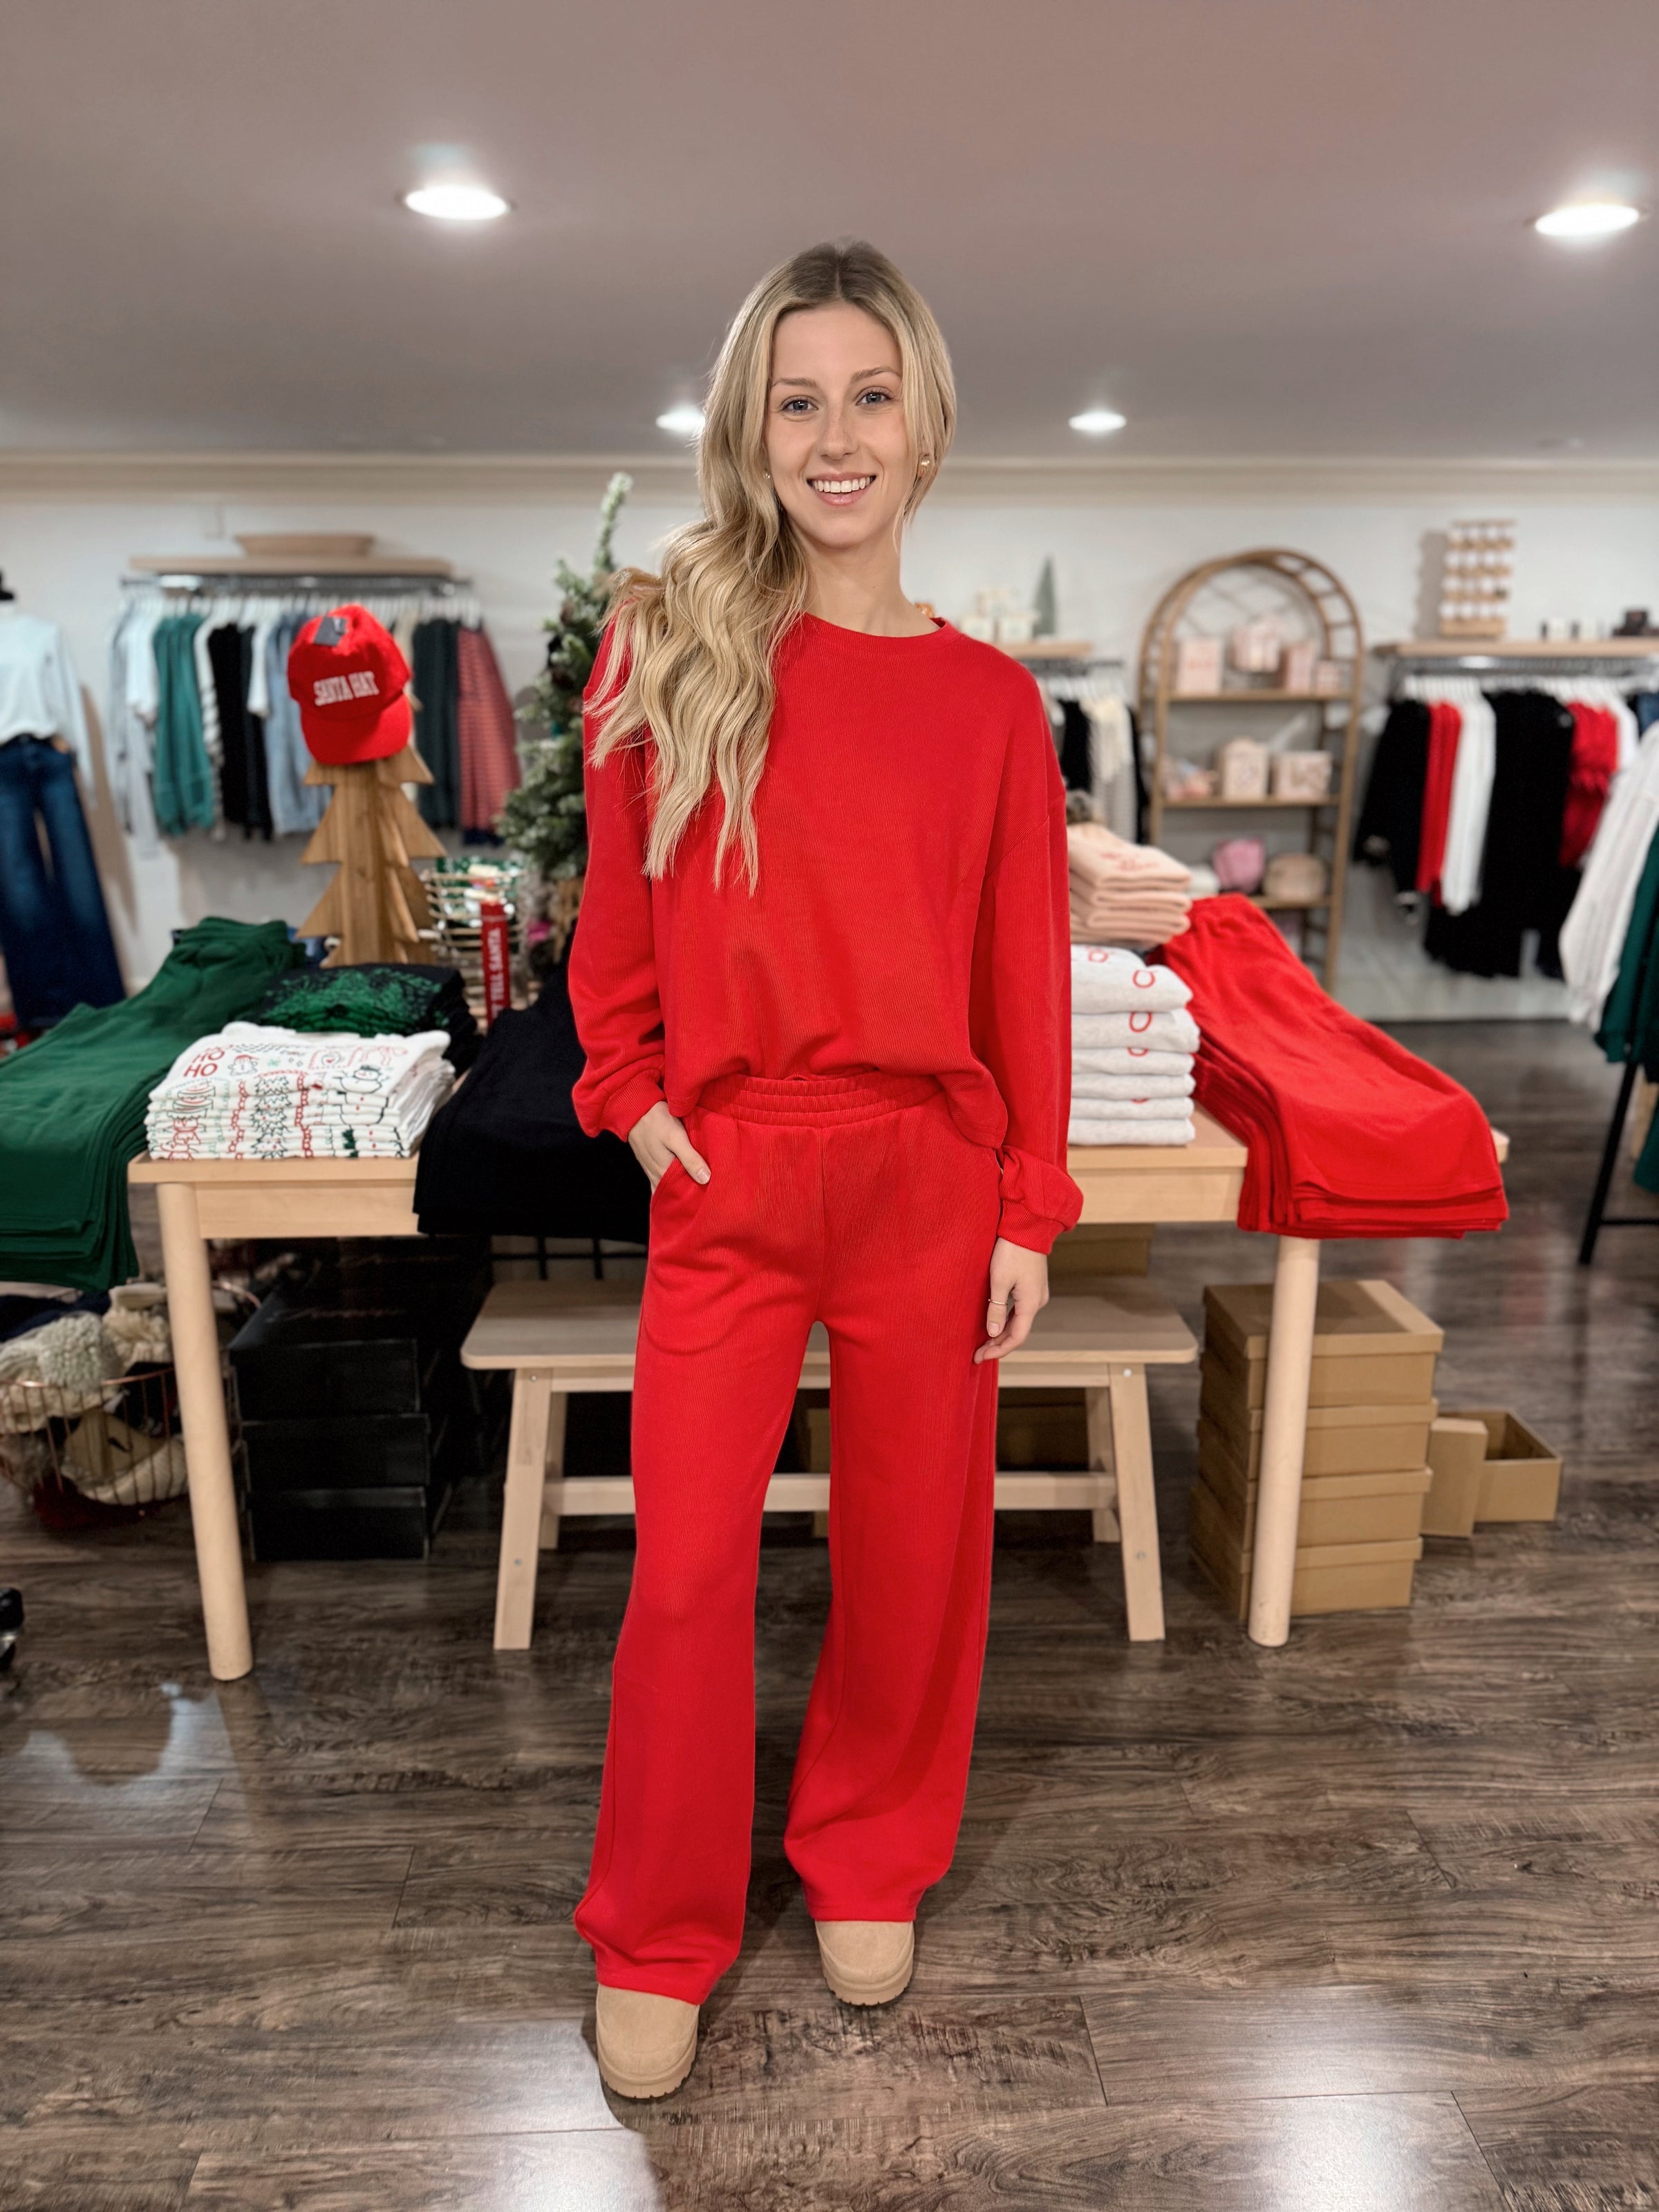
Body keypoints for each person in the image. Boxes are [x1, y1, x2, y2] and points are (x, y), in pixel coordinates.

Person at [567, 238, 1082, 2100]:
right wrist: (632, 1096)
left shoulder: (992, 704)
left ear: (927, 425)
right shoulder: (670, 642)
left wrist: (1030, 1202)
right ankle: (659, 1926)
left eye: (871, 395)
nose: (836, 435)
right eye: (800, 400)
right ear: (753, 425)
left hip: (926, 1177)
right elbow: (613, 926)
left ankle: (869, 1854)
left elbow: (1021, 974)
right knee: (687, 1572)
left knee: (913, 1555)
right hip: (735, 1171)